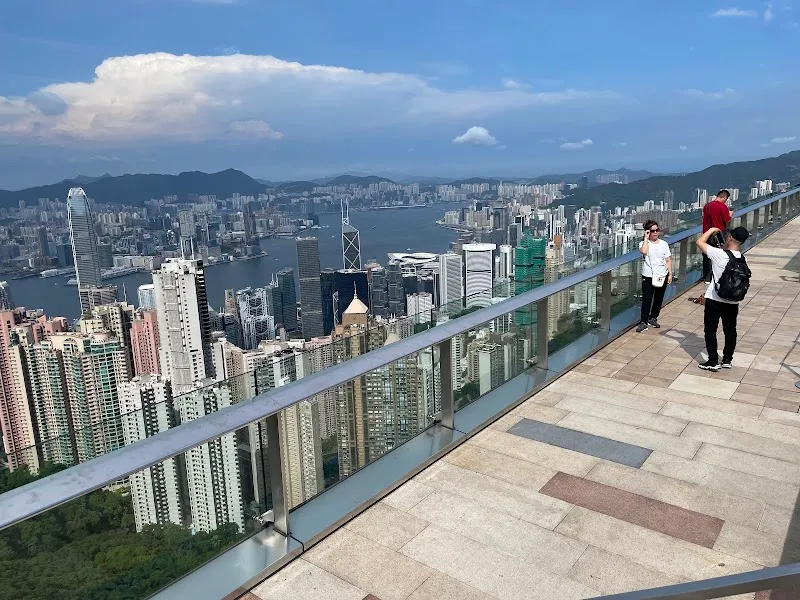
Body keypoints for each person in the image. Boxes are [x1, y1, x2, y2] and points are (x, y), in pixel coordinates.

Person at [696, 225, 750, 371]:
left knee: (710, 330)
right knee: (730, 330)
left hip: (715, 298)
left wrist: (712, 230)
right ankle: (727, 360)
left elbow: (700, 242)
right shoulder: (743, 259)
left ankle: (713, 361)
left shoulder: (719, 254)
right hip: (733, 301)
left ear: (730, 237)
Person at [636, 220, 672, 332]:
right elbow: (644, 251)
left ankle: (653, 318)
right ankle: (644, 322)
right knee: (647, 299)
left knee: (659, 299)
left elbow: (668, 260)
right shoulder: (643, 243)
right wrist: (646, 238)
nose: (656, 232)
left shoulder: (664, 244)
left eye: (657, 230)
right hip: (648, 276)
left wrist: (670, 274)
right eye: (653, 231)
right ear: (648, 232)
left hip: (662, 275)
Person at [701, 189, 734, 283]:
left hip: (706, 234)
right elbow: (727, 220)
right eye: (726, 199)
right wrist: (730, 214)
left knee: (706, 255)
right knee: (717, 255)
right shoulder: (722, 207)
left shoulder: (707, 206)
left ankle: (706, 276)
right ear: (724, 197)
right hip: (718, 234)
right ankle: (713, 276)